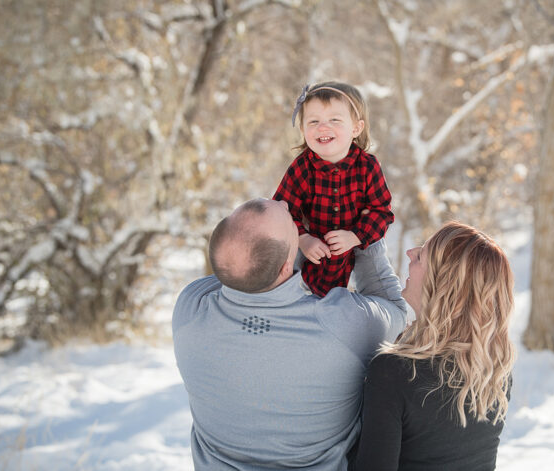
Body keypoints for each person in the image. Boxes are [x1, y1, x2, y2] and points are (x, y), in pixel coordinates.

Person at [173, 198, 407, 470]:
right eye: (290, 221)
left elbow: (244, 273)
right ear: (286, 266)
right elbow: (395, 311)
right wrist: (365, 237)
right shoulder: (342, 324)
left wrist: (288, 243)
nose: (286, 203)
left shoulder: (189, 311)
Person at [353, 222, 516, 471]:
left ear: (439, 283)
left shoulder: (395, 372)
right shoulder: (494, 371)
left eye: (421, 256)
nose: (410, 253)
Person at [274, 81, 395, 297]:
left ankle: (385, 314)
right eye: (313, 121)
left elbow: (382, 212)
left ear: (356, 128)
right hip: (314, 243)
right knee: (288, 274)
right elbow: (280, 211)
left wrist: (355, 236)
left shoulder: (367, 166)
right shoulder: (302, 168)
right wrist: (303, 238)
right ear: (303, 129)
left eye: (334, 120)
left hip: (360, 241)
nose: (323, 127)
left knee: (379, 278)